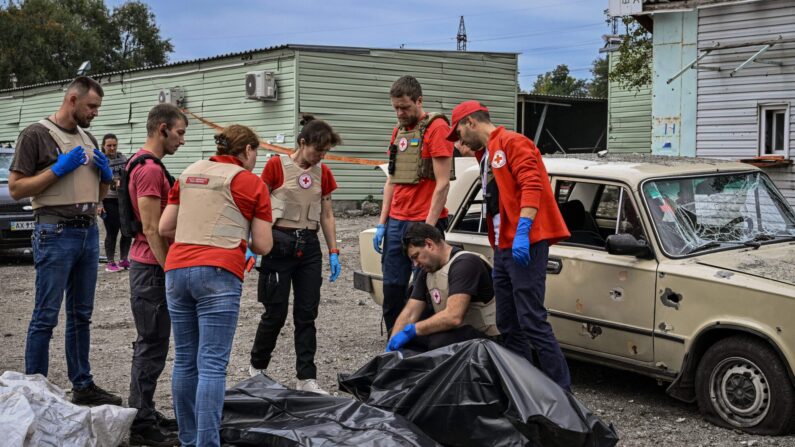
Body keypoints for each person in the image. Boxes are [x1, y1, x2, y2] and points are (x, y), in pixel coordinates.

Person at [8, 76, 122, 406]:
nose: (96, 113)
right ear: (72, 100)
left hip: (87, 231)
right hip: (54, 231)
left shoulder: (88, 138)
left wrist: (105, 178)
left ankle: (82, 385)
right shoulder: (36, 135)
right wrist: (58, 169)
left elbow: (100, 194)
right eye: (92, 106)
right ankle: (34, 391)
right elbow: (16, 188)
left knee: (80, 315)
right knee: (46, 315)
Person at [159, 124, 273, 447]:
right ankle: (207, 443)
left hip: (178, 268)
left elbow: (166, 226)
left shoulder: (188, 172)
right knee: (211, 363)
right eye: (256, 153)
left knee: (184, 359)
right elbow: (263, 245)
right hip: (219, 271)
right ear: (248, 151)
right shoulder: (251, 183)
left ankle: (188, 439)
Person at [446, 100, 573, 390]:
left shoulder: (514, 143)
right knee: (506, 320)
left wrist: (524, 230)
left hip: (525, 245)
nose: (459, 142)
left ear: (470, 123)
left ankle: (561, 390)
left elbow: (533, 185)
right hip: (504, 246)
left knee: (531, 318)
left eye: (459, 133)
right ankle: (524, 385)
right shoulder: (487, 153)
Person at [249, 115, 342, 395]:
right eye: (317, 150)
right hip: (278, 244)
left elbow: (326, 214)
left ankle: (306, 377)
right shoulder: (276, 166)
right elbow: (259, 206)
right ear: (303, 142)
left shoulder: (323, 173)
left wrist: (333, 250)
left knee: (306, 313)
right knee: (275, 312)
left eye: (325, 152)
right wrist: (251, 244)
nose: (320, 156)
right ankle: (257, 368)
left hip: (308, 246)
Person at [373, 75, 454, 334]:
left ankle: (425, 345)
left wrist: (427, 230)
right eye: (396, 107)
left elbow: (442, 184)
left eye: (405, 107)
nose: (400, 112)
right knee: (393, 288)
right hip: (397, 221)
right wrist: (382, 223)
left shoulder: (436, 128)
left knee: (427, 288)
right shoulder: (399, 131)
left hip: (424, 220)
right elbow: (392, 180)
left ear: (419, 101)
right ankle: (394, 347)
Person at [125, 103, 187, 446]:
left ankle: (143, 410)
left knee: (154, 343)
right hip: (151, 267)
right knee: (151, 344)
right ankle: (140, 425)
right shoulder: (149, 170)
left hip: (151, 265)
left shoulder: (147, 164)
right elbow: (151, 228)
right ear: (161, 128)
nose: (182, 140)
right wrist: (170, 269)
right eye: (179, 133)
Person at [387, 223, 499, 353]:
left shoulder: (466, 264)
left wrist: (413, 330)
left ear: (429, 244)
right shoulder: (428, 271)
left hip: (489, 342)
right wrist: (392, 345)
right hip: (459, 334)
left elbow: (453, 317)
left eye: (416, 256)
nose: (415, 264)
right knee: (398, 334)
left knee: (440, 343)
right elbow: (410, 313)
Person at [98, 133, 131, 272]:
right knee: (112, 231)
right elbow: (95, 183)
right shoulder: (100, 161)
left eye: (114, 145)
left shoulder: (123, 159)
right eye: (109, 146)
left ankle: (124, 260)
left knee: (127, 230)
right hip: (108, 199)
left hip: (123, 199)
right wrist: (98, 204)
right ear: (103, 146)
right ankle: (110, 262)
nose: (112, 148)